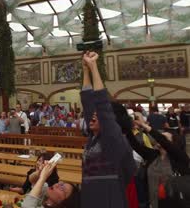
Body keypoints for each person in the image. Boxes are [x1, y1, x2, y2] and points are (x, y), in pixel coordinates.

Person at [80, 51, 136, 208]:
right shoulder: (93, 138)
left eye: (98, 116)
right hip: (91, 197)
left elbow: (102, 105)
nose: (92, 117)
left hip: (109, 200)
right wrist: (85, 70)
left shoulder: (113, 141)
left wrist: (94, 67)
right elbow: (88, 103)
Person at [125, 113, 190, 208]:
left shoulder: (180, 157)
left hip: (176, 203)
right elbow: (135, 145)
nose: (160, 139)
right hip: (154, 203)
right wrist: (127, 127)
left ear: (173, 142)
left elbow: (163, 141)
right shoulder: (153, 155)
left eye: (164, 137)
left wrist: (144, 125)